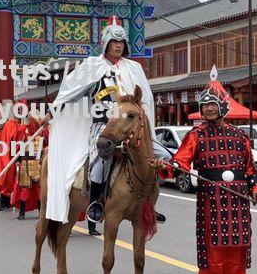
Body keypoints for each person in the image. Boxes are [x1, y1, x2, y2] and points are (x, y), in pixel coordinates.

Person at [150, 67, 257, 274]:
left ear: (223, 106)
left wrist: (255, 189)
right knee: (213, 255)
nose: (209, 110)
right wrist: (165, 166)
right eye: (205, 106)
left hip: (237, 202)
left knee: (236, 254)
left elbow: (249, 169)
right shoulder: (196, 136)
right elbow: (180, 163)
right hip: (210, 202)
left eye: (212, 104)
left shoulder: (240, 137)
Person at [44, 16, 168, 228]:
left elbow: (145, 98)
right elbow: (70, 91)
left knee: (163, 155)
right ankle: (96, 203)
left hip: (131, 125)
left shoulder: (134, 68)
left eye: (121, 43)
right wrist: (53, 110)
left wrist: (146, 130)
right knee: (102, 159)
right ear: (106, 43)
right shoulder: (92, 66)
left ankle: (148, 202)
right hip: (104, 125)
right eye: (114, 42)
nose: (118, 46)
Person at [11, 111, 48, 220]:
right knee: (25, 189)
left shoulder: (42, 131)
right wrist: (17, 159)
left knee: (39, 190)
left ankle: (41, 212)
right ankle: (22, 213)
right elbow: (16, 146)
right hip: (25, 163)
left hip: (38, 163)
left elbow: (47, 144)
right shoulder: (23, 130)